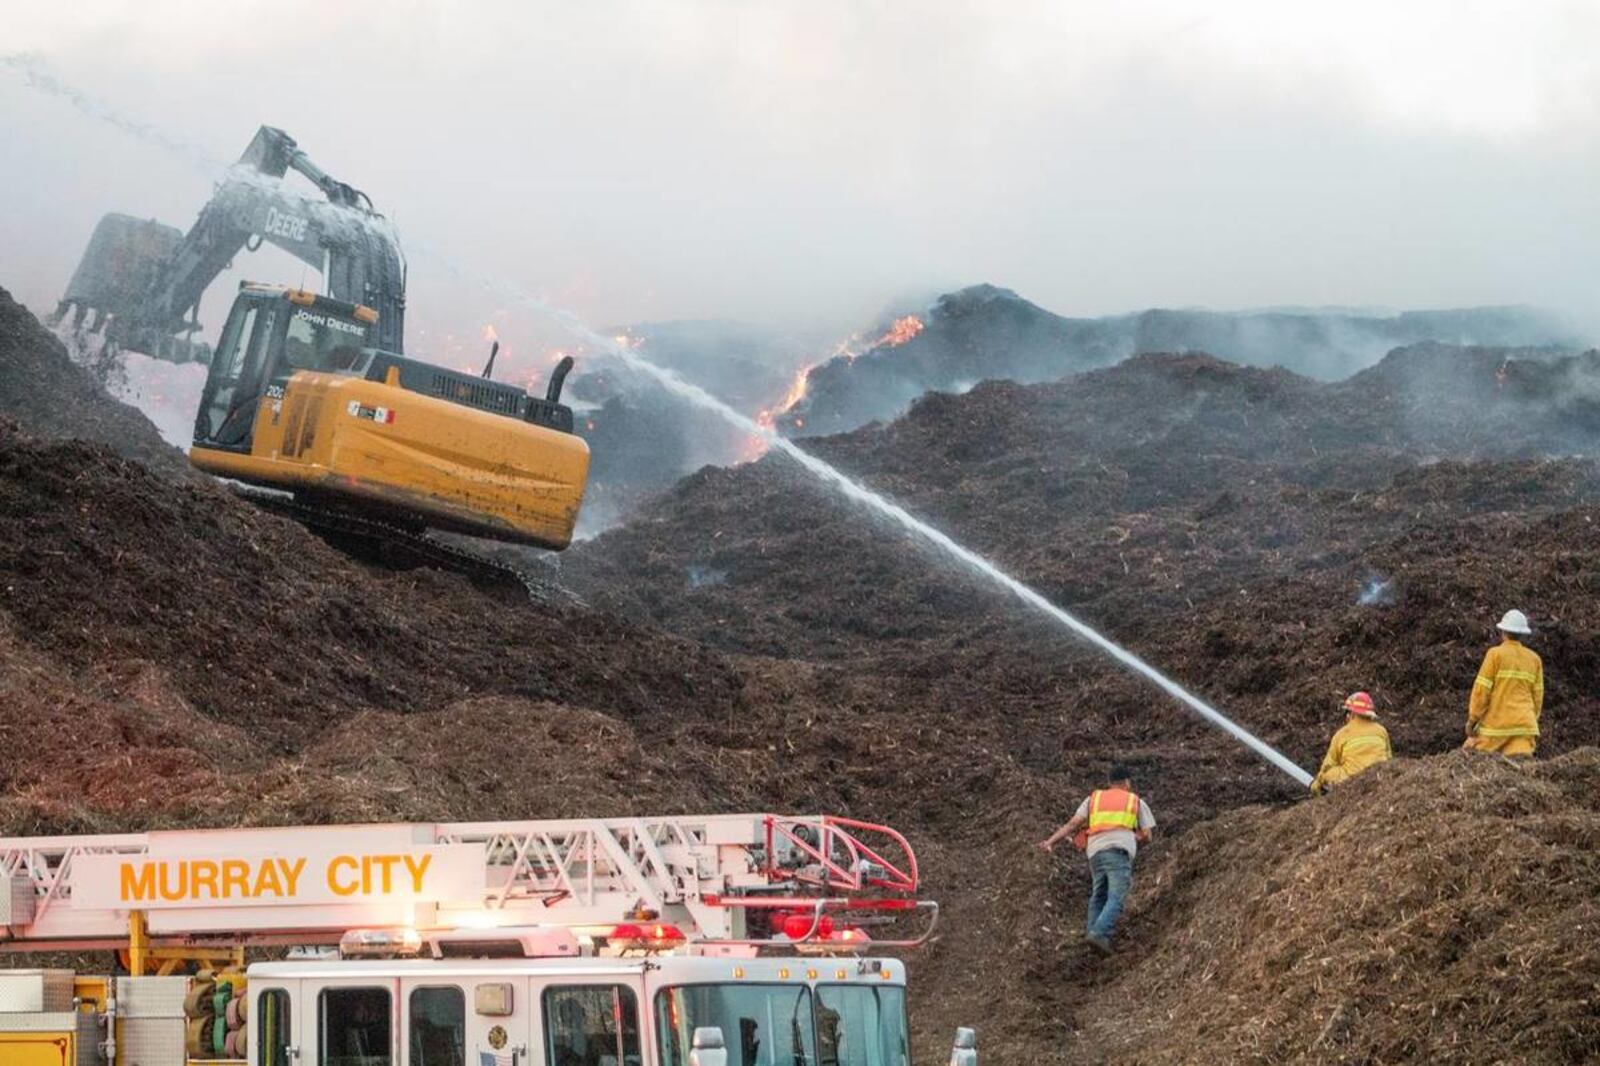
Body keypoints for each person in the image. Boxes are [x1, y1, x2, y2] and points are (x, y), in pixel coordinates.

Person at [1037, 765, 1156, 954]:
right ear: (1127, 782)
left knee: (1099, 895)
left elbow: (1073, 824)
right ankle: (1099, 933)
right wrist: (1135, 838)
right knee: (1117, 896)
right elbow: (1147, 835)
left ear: (1109, 783)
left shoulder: (1094, 799)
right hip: (1117, 852)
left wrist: (1050, 842)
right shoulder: (1135, 801)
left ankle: (1092, 936)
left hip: (1095, 852)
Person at [1465, 609, 1544, 757]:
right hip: (1524, 727)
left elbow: (1482, 690)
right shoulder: (1534, 659)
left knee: (1469, 755)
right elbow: (1537, 698)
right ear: (1523, 634)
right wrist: (1530, 719)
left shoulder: (1495, 655)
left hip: (1495, 729)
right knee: (1520, 764)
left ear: (1503, 632)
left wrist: (1472, 720)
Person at [1309, 691, 1392, 794]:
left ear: (1352, 714)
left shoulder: (1342, 734)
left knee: (1329, 773)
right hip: (1380, 776)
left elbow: (1328, 765)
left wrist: (1318, 782)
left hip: (1351, 781)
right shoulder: (1381, 731)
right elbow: (1389, 758)